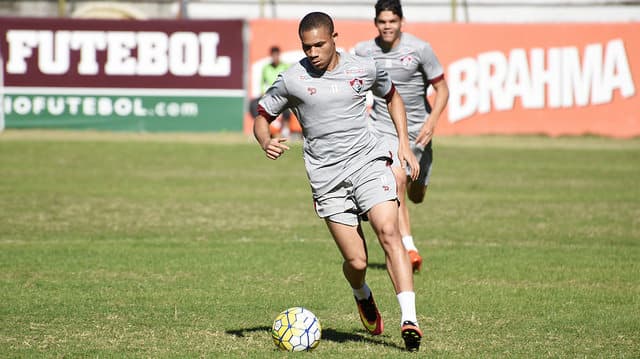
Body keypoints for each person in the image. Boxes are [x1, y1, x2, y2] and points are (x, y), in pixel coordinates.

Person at [253, 11, 424, 352]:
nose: (313, 52)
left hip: (368, 162)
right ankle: (362, 294)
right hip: (327, 179)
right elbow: (263, 114)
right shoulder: (292, 79)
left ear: (334, 38)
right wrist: (264, 140)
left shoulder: (364, 67)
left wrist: (403, 143)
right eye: (306, 47)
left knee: (389, 231)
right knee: (357, 261)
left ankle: (410, 319)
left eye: (319, 44)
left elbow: (392, 96)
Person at [354, 0, 450, 273]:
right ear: (376, 23)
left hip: (419, 131)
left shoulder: (419, 49)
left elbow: (442, 90)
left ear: (401, 22)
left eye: (392, 21)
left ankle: (416, 190)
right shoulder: (363, 51)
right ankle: (409, 247)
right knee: (396, 179)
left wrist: (432, 122)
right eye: (382, 22)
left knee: (415, 193)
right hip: (383, 129)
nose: (387, 26)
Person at [249, 46, 294, 137]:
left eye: (276, 55)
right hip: (269, 94)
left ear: (279, 55)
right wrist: (263, 93)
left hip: (282, 94)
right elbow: (262, 82)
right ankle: (260, 129)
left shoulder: (285, 66)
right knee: (253, 104)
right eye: (273, 56)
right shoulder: (266, 68)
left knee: (286, 105)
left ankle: (285, 130)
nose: (275, 58)